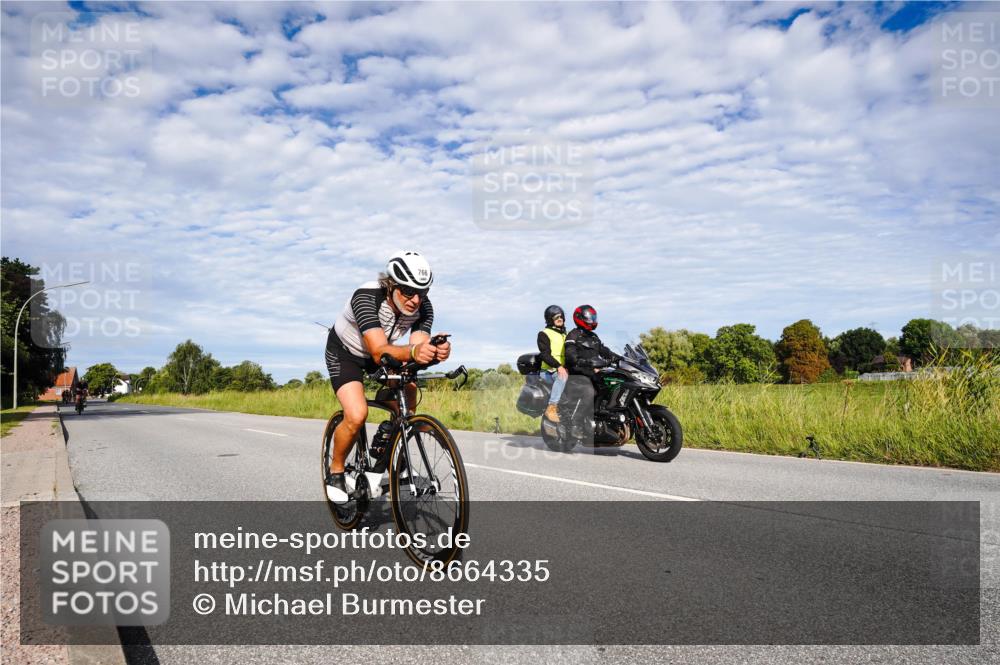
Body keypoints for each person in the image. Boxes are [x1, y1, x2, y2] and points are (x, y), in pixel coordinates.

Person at [324, 251, 451, 502]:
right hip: (345, 354)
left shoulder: (423, 307)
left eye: (422, 292)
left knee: (409, 391)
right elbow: (378, 349)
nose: (415, 299)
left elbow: (416, 348)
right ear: (390, 284)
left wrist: (435, 352)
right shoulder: (366, 297)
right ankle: (336, 470)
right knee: (357, 414)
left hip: (382, 354)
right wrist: (414, 351)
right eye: (407, 291)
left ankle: (390, 448)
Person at [564, 305, 619, 435]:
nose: (592, 320)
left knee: (612, 386)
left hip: (592, 374)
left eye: (593, 317)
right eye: (590, 317)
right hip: (577, 375)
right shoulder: (573, 334)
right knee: (589, 391)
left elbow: (605, 351)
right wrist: (583, 362)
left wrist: (619, 358)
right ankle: (576, 424)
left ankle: (603, 418)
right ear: (580, 318)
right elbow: (570, 354)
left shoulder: (594, 337)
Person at [536, 305, 568, 422]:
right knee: (563, 376)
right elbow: (544, 355)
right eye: (556, 317)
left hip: (562, 369)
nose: (560, 319)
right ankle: (551, 407)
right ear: (550, 319)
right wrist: (559, 366)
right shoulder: (544, 333)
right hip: (549, 371)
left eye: (561, 316)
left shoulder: (565, 334)